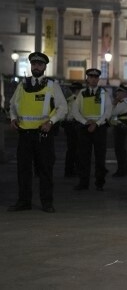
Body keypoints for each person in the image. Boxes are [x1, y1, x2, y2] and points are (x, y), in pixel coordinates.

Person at [7, 52, 68, 213]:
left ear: (44, 67)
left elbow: (63, 108)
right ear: (31, 66)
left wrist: (51, 121)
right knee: (23, 170)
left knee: (45, 170)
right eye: (34, 64)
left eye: (39, 65)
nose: (36, 67)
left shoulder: (52, 86)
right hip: (25, 134)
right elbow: (13, 104)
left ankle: (47, 202)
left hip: (43, 135)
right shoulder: (23, 85)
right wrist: (13, 118)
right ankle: (24, 201)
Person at [72, 68, 113, 191]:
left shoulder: (103, 93)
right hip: (85, 128)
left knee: (100, 157)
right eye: (91, 77)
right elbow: (75, 110)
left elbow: (108, 111)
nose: (93, 79)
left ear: (98, 79)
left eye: (96, 77)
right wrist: (86, 122)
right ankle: (83, 182)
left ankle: (99, 183)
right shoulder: (82, 93)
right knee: (83, 156)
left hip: (99, 128)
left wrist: (97, 123)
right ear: (87, 78)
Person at [110, 84, 127, 177]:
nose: (117, 93)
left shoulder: (123, 103)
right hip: (122, 127)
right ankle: (124, 170)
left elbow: (112, 112)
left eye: (119, 92)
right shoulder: (125, 103)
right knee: (121, 150)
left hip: (120, 128)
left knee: (119, 150)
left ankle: (121, 171)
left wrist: (114, 103)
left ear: (124, 93)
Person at [63, 82, 83, 178]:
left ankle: (69, 170)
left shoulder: (68, 100)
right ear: (78, 91)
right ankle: (74, 169)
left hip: (69, 125)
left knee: (71, 149)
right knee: (77, 149)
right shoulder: (78, 100)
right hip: (75, 125)